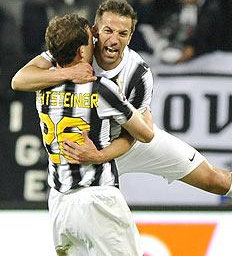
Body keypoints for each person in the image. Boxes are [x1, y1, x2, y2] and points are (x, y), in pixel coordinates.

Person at [12, 0, 232, 241]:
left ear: (131, 36)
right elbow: (19, 80)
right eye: (109, 30)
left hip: (121, 145)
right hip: (85, 157)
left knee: (214, 178)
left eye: (124, 34)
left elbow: (139, 135)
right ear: (95, 30)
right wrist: (68, 72)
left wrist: (100, 154)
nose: (114, 39)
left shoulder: (137, 72)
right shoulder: (78, 48)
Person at [25, 13, 154, 255]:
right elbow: (145, 135)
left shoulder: (41, 86)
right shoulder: (102, 89)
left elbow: (20, 79)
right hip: (97, 199)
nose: (95, 41)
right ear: (80, 51)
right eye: (90, 39)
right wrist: (146, 113)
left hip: (59, 205)